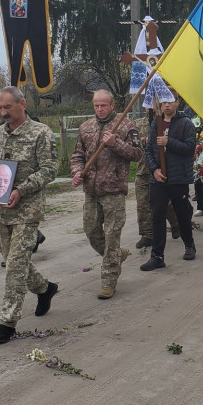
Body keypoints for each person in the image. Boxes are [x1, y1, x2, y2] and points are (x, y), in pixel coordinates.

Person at [0, 86, 59, 345]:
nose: (3, 113)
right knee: (11, 257)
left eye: (8, 107)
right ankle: (45, 289)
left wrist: (22, 190)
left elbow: (50, 169)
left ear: (22, 104)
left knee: (14, 266)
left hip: (27, 210)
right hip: (2, 210)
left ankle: (8, 322)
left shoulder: (40, 133)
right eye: (0, 108)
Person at [71, 90, 143, 299]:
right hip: (91, 192)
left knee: (112, 236)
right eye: (96, 105)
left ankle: (109, 280)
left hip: (114, 191)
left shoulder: (126, 126)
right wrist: (77, 172)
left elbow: (137, 154)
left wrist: (115, 143)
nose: (100, 109)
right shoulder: (86, 127)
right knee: (92, 232)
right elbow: (77, 155)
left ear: (112, 105)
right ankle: (116, 256)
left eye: (104, 105)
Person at [140, 93, 197, 270]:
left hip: (178, 177)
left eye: (170, 101)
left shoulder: (185, 123)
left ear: (177, 102)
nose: (166, 105)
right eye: (163, 102)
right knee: (157, 215)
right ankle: (157, 256)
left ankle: (189, 244)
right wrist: (154, 170)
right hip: (158, 179)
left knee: (181, 213)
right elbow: (149, 150)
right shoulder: (155, 123)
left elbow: (189, 149)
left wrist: (168, 142)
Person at [134, 108, 178, 249]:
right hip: (143, 170)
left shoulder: (166, 121)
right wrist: (145, 140)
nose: (150, 107)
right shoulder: (137, 123)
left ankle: (176, 223)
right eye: (147, 104)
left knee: (166, 203)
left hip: (162, 168)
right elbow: (133, 143)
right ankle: (147, 234)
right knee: (142, 204)